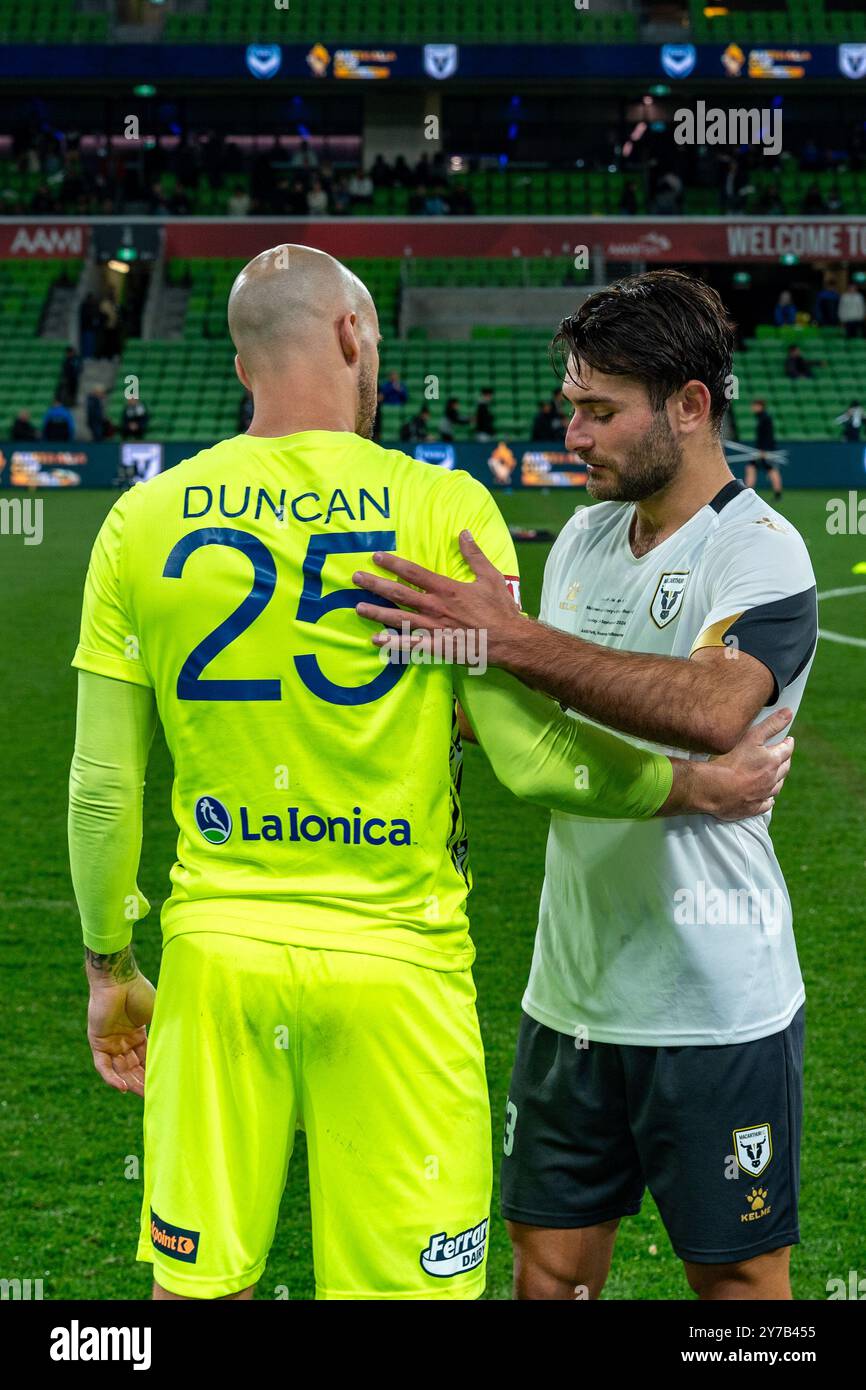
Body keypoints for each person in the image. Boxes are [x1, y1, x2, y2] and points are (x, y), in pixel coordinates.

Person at [68, 247, 789, 1304]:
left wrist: (107, 967)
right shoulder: (440, 505)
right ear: (355, 336)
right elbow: (527, 755)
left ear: (238, 360)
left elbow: (100, 785)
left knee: (195, 1288)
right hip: (397, 967)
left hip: (218, 960)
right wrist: (687, 789)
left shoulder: (142, 518)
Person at [355, 269, 814, 1301]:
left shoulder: (758, 554)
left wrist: (515, 640)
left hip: (713, 1004)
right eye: (571, 407)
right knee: (548, 1271)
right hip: (568, 994)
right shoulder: (581, 540)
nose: (574, 434)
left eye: (599, 411)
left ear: (688, 406)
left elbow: (708, 712)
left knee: (737, 1283)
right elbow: (540, 718)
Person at [746, 398, 783, 501]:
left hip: (765, 450)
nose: (752, 408)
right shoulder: (761, 418)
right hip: (761, 449)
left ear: (760, 406)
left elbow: (768, 436)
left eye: (754, 405)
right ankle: (748, 492)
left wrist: (764, 450)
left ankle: (778, 493)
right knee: (751, 468)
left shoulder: (765, 418)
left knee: (771, 470)